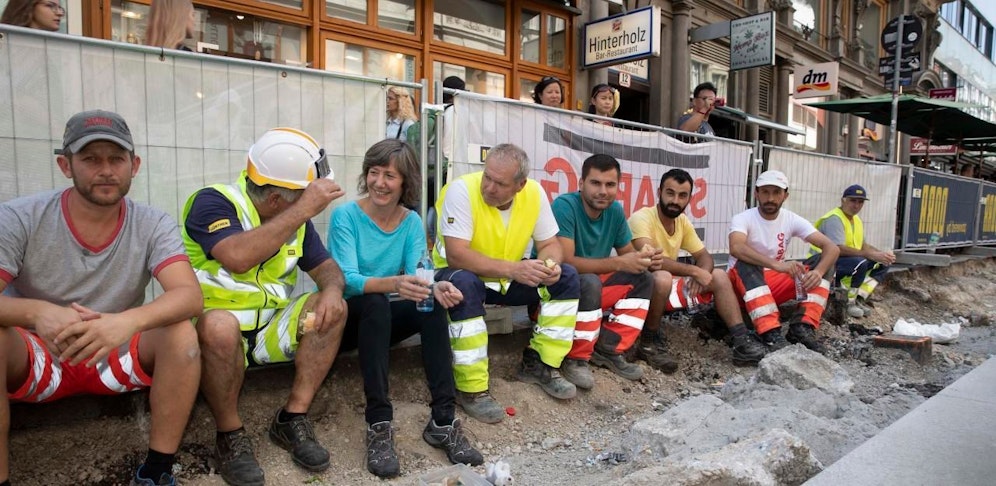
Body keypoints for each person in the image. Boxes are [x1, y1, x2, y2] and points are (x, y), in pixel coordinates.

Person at [0, 110, 202, 486]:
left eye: (116, 158)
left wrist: (125, 321)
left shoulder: (152, 222)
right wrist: (37, 311)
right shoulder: (19, 217)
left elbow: (190, 296)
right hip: (39, 356)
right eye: (91, 159)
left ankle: (157, 472)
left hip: (115, 352)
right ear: (65, 165)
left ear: (134, 164)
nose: (106, 170)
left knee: (181, 335)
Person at [182, 127, 348, 485]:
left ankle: (292, 418)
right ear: (276, 201)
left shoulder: (295, 221)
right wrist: (303, 209)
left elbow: (327, 268)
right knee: (218, 326)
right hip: (215, 334)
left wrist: (333, 292)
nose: (311, 206)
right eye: (303, 197)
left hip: (270, 328)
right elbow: (237, 257)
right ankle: (230, 435)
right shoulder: (213, 202)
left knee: (334, 306)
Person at [328, 139, 483, 478]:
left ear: (405, 182)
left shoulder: (411, 221)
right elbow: (346, 280)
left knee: (429, 304)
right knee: (373, 301)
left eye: (390, 176)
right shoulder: (346, 216)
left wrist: (435, 285)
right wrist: (395, 284)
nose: (380, 183)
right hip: (345, 320)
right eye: (374, 173)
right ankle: (379, 423)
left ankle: (443, 420)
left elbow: (419, 270)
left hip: (380, 318)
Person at [433, 143, 580, 423]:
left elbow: (550, 244)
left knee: (567, 277)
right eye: (487, 176)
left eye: (499, 183)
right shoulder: (461, 190)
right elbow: (456, 255)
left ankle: (542, 365)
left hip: (505, 278)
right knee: (465, 283)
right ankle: (471, 388)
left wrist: (551, 266)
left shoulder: (534, 193)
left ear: (520, 185)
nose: (488, 187)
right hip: (454, 275)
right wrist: (515, 269)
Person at [629, 169, 768, 370]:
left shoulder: (682, 221)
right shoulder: (642, 218)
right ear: (659, 192)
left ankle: (741, 343)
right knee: (662, 277)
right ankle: (648, 342)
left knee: (719, 275)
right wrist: (693, 271)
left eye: (682, 195)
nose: (675, 200)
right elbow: (651, 261)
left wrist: (699, 273)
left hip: (667, 290)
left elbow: (704, 257)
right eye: (670, 193)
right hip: (640, 291)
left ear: (689, 199)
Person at [552, 154, 651, 390]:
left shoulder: (615, 211)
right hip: (555, 294)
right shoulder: (564, 206)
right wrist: (620, 263)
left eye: (610, 184)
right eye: (595, 183)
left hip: (590, 291)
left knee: (644, 278)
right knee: (587, 281)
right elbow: (566, 262)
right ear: (581, 183)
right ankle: (576, 359)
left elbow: (628, 254)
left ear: (618, 186)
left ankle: (608, 349)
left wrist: (645, 258)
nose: (603, 191)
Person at [727, 170, 840, 353]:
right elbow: (736, 248)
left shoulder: (790, 218)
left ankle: (802, 327)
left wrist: (817, 273)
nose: (770, 198)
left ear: (785, 195)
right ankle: (770, 332)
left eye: (776, 192)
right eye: (765, 192)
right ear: (756, 193)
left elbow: (832, 248)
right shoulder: (743, 218)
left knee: (823, 262)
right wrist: (776, 265)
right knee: (746, 262)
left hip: (770, 285)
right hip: (741, 287)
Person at [810, 184, 895, 318]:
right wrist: (868, 254)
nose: (856, 205)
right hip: (823, 263)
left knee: (883, 263)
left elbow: (863, 245)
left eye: (860, 202)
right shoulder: (834, 219)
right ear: (843, 200)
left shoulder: (856, 220)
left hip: (844, 260)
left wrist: (881, 254)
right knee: (860, 262)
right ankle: (849, 302)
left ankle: (860, 297)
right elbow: (837, 249)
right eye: (853, 200)